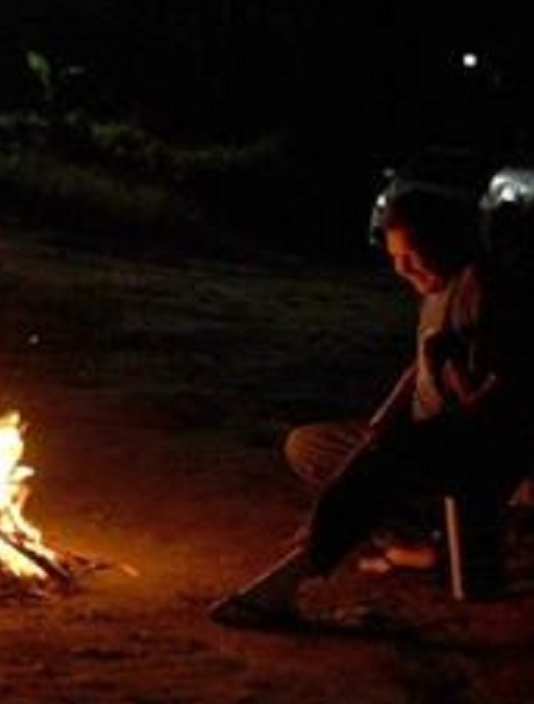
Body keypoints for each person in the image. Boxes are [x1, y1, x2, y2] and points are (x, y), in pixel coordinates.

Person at [211, 187, 534, 629]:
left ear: (446, 241)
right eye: (395, 256)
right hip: (426, 436)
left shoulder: (482, 286)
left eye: (411, 256)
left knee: (381, 463)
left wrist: (430, 436)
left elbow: (508, 387)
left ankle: (291, 578)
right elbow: (419, 362)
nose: (401, 268)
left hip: (474, 441)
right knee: (310, 445)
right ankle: (424, 543)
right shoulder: (438, 287)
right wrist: (385, 418)